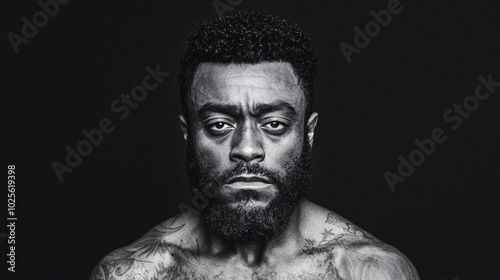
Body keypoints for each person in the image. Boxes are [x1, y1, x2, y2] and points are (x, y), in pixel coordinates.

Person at [90, 11, 419, 280]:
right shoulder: (136, 274)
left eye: (273, 124)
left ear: (308, 134)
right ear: (189, 135)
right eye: (220, 125)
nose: (247, 149)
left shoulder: (369, 272)